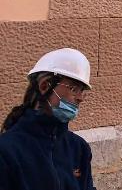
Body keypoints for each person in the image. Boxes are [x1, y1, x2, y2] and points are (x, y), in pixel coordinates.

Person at [0, 48, 96, 190]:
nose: (80, 98)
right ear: (45, 86)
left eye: (82, 91)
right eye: (74, 89)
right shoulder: (7, 150)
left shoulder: (78, 148)